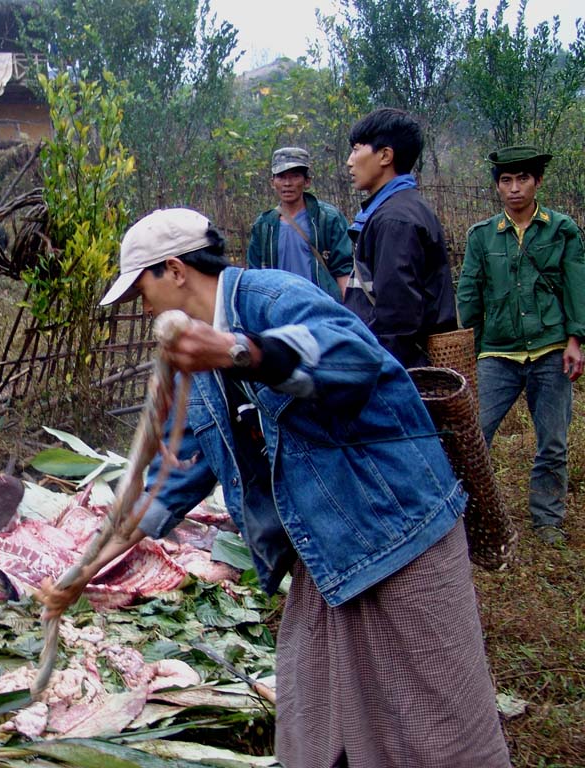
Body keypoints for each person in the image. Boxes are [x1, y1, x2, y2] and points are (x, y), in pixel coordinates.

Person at [39, 208, 511, 768]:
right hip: (326, 553)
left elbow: (355, 360)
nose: (142, 308)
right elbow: (165, 489)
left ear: (174, 270)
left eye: (141, 289)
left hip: (398, 531)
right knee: (313, 720)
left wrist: (243, 351)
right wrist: (78, 577)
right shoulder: (193, 369)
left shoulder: (272, 298)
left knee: (438, 723)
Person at [457, 146, 585, 546]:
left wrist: (575, 340)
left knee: (553, 440)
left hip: (550, 348)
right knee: (472, 436)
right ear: (497, 186)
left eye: (523, 179)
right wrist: (467, 345)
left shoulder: (561, 229)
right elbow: (469, 293)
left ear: (537, 182)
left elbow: (576, 286)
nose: (515, 189)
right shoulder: (481, 236)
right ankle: (466, 518)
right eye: (506, 181)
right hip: (498, 351)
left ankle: (547, 520)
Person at [343, 107, 456, 367]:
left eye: (357, 149)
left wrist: (383, 376)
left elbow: (397, 317)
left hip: (400, 368)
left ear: (385, 155)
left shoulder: (395, 219)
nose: (350, 161)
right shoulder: (399, 208)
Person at [246, 146, 352, 301]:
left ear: (307, 181)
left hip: (322, 307)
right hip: (279, 309)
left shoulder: (328, 219)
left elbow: (343, 270)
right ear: (272, 182)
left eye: (295, 176)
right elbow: (255, 277)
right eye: (281, 177)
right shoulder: (264, 226)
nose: (287, 183)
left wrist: (347, 313)